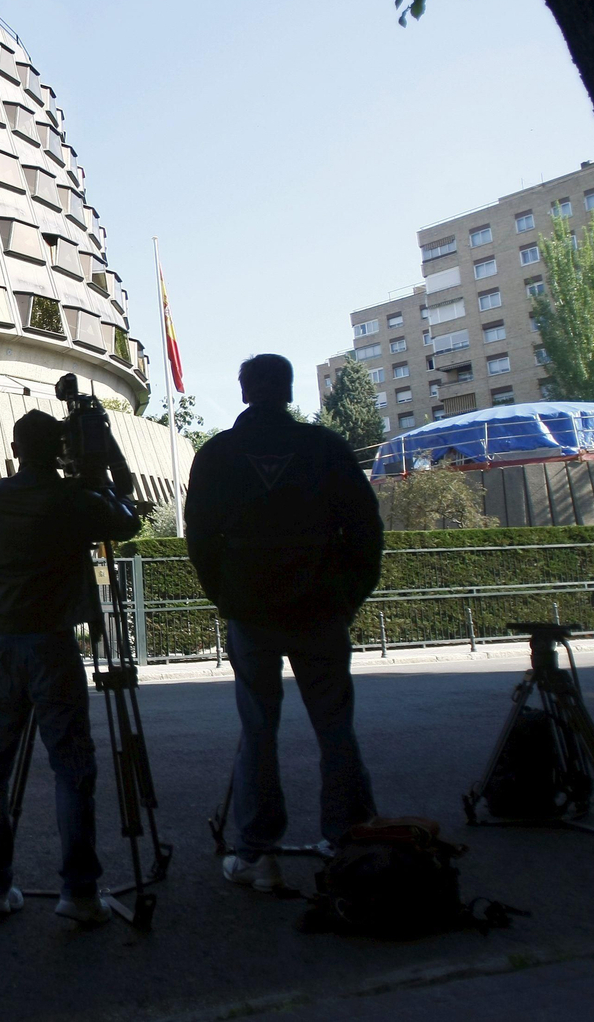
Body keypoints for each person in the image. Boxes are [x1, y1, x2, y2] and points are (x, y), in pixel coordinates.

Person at [183, 354, 383, 892]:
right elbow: (366, 530)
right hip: (320, 609)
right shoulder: (326, 449)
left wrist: (226, 598)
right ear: (289, 392)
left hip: (252, 612)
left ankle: (257, 852)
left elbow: (199, 537)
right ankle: (349, 838)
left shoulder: (219, 454)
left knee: (258, 730)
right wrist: (347, 599)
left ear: (245, 391)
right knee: (335, 727)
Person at [0, 409, 141, 926]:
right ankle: (79, 891)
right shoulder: (73, 500)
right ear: (60, 450)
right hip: (52, 645)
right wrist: (107, 467)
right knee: (71, 768)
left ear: (16, 449)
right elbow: (128, 521)